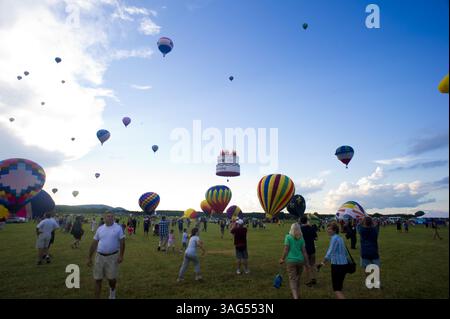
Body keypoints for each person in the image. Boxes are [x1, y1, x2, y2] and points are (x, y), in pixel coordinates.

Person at [87, 212, 125, 299]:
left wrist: (121, 255)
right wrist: (89, 257)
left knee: (111, 279)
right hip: (99, 257)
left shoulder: (118, 228)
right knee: (97, 279)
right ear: (104, 218)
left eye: (112, 216)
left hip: (112, 257)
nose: (110, 218)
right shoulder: (100, 229)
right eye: (108, 216)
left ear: (114, 218)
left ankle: (112, 291)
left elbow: (122, 242)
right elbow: (94, 243)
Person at [318, 222, 350, 299]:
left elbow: (329, 252)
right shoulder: (340, 238)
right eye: (327, 229)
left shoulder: (334, 238)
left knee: (337, 289)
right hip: (344, 264)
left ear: (335, 230)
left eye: (330, 229)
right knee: (339, 287)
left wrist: (322, 262)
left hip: (337, 266)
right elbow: (345, 252)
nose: (327, 230)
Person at [279, 223, 310, 299]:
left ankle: (295, 297)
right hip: (300, 260)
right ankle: (298, 294)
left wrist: (282, 259)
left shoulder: (288, 237)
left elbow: (286, 250)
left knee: (292, 280)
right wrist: (307, 263)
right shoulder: (301, 238)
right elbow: (304, 252)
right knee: (298, 278)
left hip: (291, 261)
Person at [300, 216, 318, 287]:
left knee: (306, 266)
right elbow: (316, 238)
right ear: (307, 221)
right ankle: (314, 278)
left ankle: (309, 280)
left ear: (301, 222)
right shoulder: (311, 228)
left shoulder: (300, 229)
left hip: (305, 250)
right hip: (312, 249)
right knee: (312, 265)